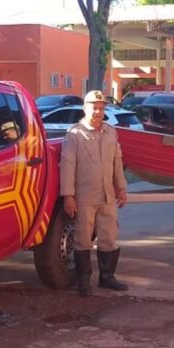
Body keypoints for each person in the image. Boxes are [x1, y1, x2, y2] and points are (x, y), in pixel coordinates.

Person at [60, 90, 129, 295]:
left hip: (107, 195)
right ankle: (84, 281)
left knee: (109, 237)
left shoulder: (110, 132)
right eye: (94, 107)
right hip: (84, 197)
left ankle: (107, 277)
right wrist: (68, 196)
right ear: (85, 107)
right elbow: (67, 165)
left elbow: (117, 161)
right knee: (83, 238)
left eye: (101, 108)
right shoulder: (75, 134)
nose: (98, 112)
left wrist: (122, 186)